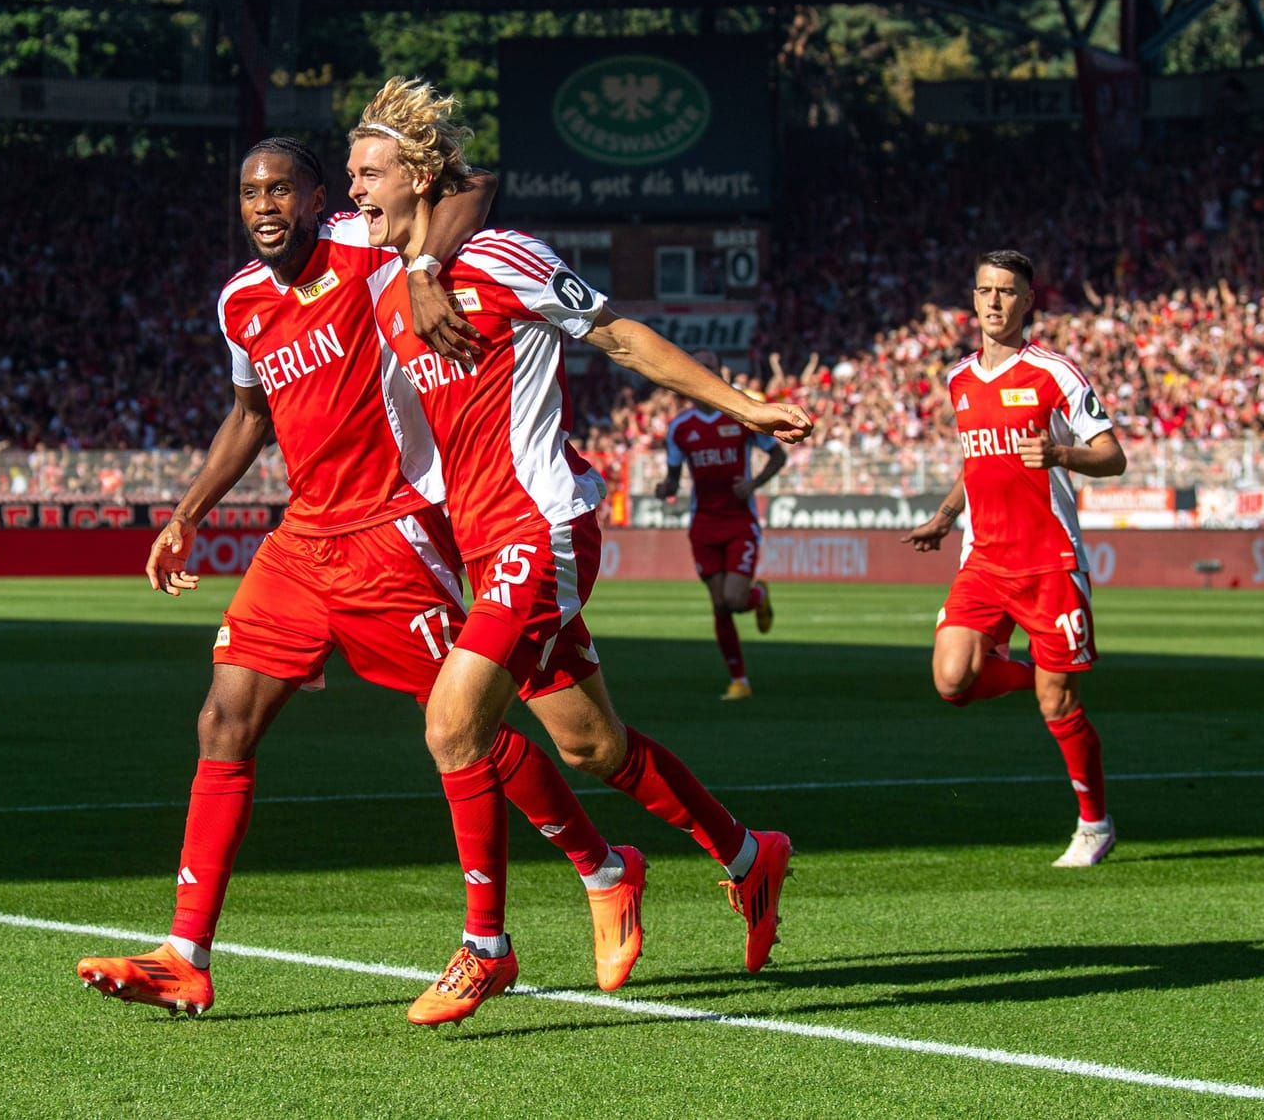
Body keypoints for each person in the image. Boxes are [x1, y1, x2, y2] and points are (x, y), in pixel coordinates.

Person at [75, 138, 646, 1019]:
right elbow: (248, 416)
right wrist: (187, 512)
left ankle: (599, 866)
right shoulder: (240, 303)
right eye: (249, 192)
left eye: (281, 190)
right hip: (302, 539)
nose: (264, 206)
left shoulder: (364, 243)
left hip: (396, 533)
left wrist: (422, 263)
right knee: (223, 716)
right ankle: (185, 953)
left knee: (465, 729)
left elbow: (476, 186)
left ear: (315, 198)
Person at [353, 77, 815, 1025]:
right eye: (351, 173)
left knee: (452, 725)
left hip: (544, 527)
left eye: (369, 172)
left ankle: (487, 945)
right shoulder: (384, 276)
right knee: (592, 743)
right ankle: (745, 855)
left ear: (420, 176)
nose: (352, 190)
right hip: (481, 543)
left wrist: (742, 404)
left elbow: (620, 337)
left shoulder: (503, 256)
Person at [900, 250, 1126, 867]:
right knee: (951, 680)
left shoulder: (1057, 373)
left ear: (1029, 301)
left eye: (1007, 291)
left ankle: (1094, 823)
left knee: (1060, 707)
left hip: (1050, 559)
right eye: (984, 290)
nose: (994, 301)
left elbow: (1113, 456)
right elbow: (977, 464)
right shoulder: (959, 379)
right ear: (973, 299)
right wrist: (946, 518)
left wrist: (1061, 455)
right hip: (984, 559)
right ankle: (1045, 677)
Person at [654, 350, 788, 701]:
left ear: (720, 373)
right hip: (703, 524)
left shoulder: (741, 417)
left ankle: (757, 596)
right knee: (719, 605)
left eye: (709, 368)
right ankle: (739, 680)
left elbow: (778, 454)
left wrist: (753, 484)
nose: (703, 373)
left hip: (739, 520)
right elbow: (672, 477)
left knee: (733, 598)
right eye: (697, 367)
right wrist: (665, 488)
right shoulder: (680, 428)